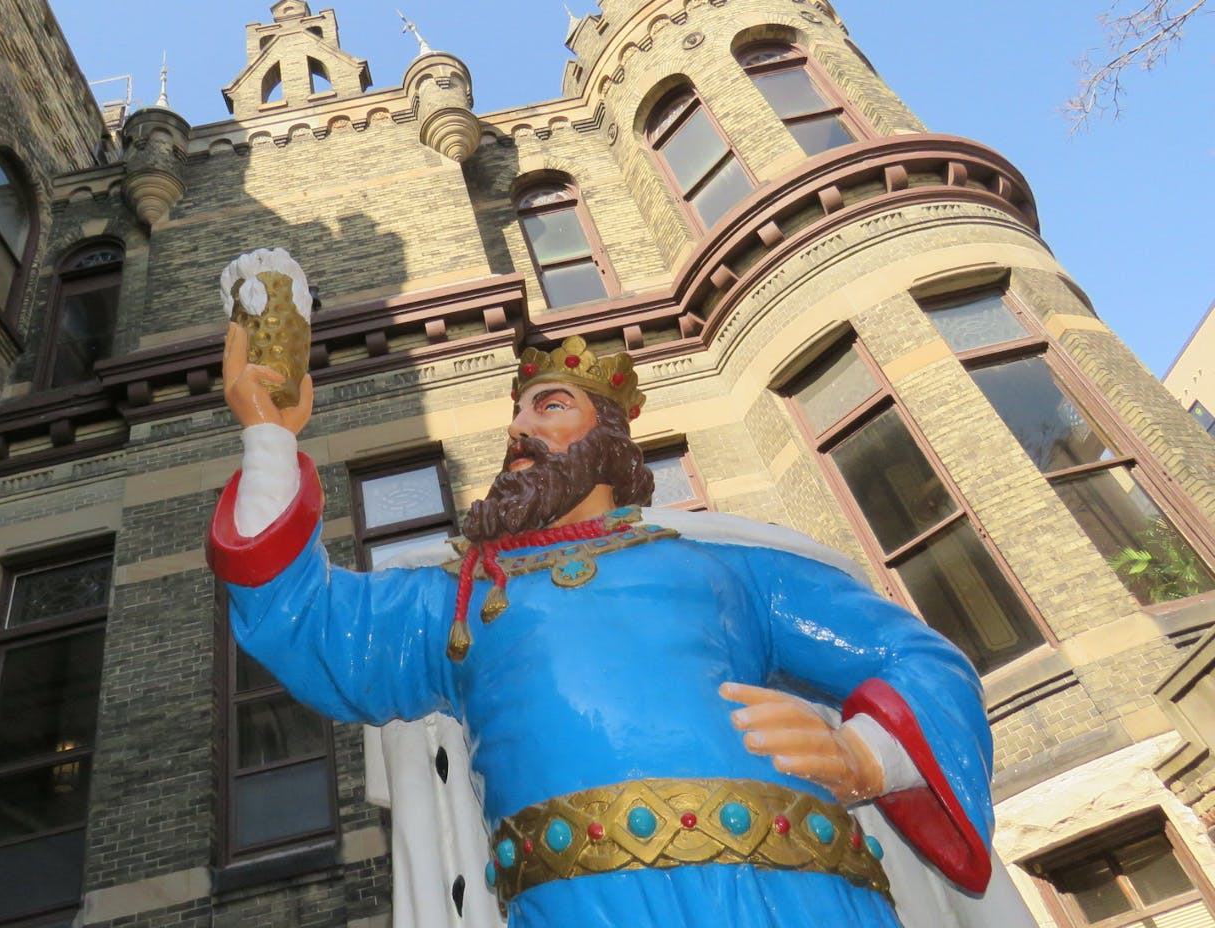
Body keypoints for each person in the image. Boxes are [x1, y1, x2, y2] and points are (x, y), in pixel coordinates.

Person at [207, 328, 1000, 928]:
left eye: (549, 407)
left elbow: (914, 652)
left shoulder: (728, 566)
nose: (519, 429)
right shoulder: (453, 599)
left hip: (791, 893)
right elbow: (302, 619)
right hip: (579, 906)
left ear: (609, 442)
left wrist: (871, 755)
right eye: (517, 414)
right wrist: (269, 438)